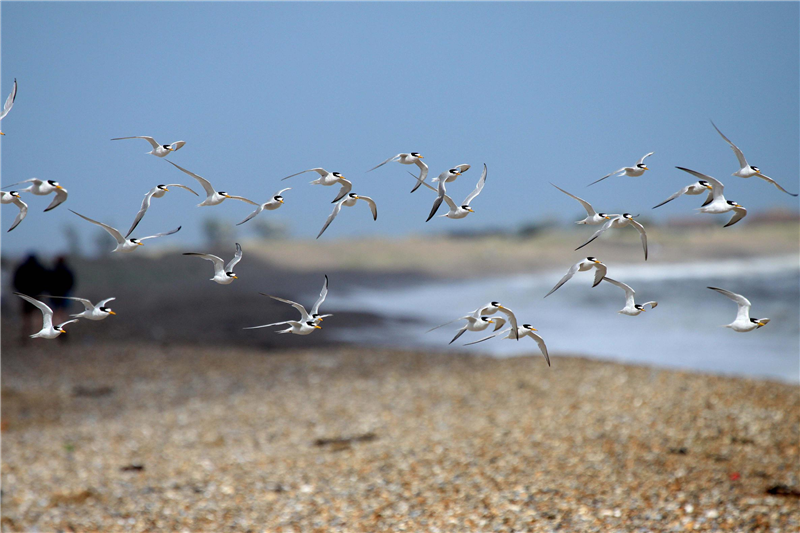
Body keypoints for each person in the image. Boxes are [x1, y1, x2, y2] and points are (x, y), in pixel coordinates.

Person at [12, 254, 48, 343]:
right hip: (37, 296)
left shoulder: (21, 269)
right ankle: (37, 336)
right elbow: (46, 281)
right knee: (37, 316)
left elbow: (15, 282)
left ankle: (25, 334)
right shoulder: (40, 268)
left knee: (26, 317)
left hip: (25, 296)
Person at [48, 256, 75, 343]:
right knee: (63, 313)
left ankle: (59, 330)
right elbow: (71, 283)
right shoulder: (67, 271)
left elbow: (48, 283)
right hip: (64, 295)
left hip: (54, 296)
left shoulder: (52, 271)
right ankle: (63, 330)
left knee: (56, 314)